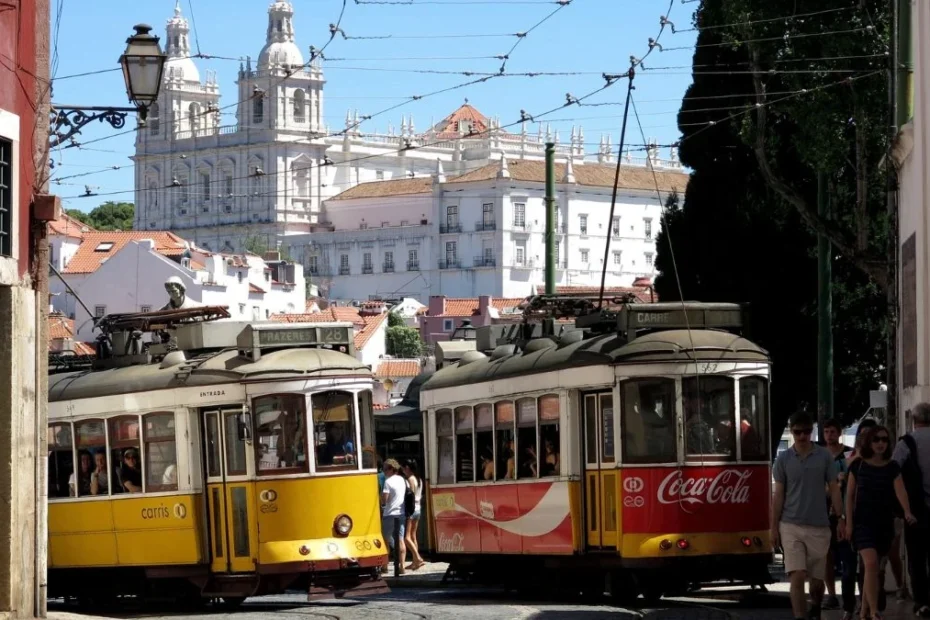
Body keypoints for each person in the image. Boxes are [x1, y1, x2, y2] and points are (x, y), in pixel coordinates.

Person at [772, 412, 845, 620]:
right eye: (797, 432)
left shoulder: (824, 457)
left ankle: (816, 604)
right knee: (796, 575)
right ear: (792, 431)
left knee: (816, 581)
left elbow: (834, 488)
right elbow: (778, 496)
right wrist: (774, 527)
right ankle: (800, 617)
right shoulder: (783, 459)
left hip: (819, 526)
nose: (802, 436)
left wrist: (841, 518)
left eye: (806, 432)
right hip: (790, 525)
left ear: (811, 432)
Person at [846, 425, 917, 620]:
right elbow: (849, 496)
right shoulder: (858, 465)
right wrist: (849, 523)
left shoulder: (892, 466)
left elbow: (900, 490)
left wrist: (907, 511)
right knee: (869, 563)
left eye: (884, 440)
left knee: (874, 569)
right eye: (876, 439)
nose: (880, 443)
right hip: (862, 523)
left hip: (883, 523)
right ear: (869, 441)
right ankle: (874, 610)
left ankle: (864, 610)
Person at [892, 402, 930, 617]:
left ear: (914, 420)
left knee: (916, 558)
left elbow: (892, 470)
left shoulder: (906, 443)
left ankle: (922, 603)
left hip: (915, 511)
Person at [822, 418, 851, 611]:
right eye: (826, 432)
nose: (829, 435)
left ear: (839, 433)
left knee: (847, 553)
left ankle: (848, 595)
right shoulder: (818, 455)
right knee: (826, 554)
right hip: (822, 510)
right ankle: (831, 593)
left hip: (845, 509)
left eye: (833, 431)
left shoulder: (849, 454)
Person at [380, 459, 407, 575]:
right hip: (401, 513)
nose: (384, 471)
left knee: (385, 540)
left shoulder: (388, 482)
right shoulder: (402, 480)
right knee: (400, 539)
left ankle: (385, 566)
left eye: (385, 469)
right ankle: (402, 566)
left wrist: (381, 502)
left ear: (392, 469)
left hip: (389, 514)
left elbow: (384, 499)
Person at [402, 460, 426, 571]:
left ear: (407, 468)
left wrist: (407, 510)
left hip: (411, 510)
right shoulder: (419, 479)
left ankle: (418, 558)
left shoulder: (411, 479)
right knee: (413, 535)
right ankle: (415, 562)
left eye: (403, 468)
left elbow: (410, 495)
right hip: (418, 508)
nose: (403, 471)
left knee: (406, 537)